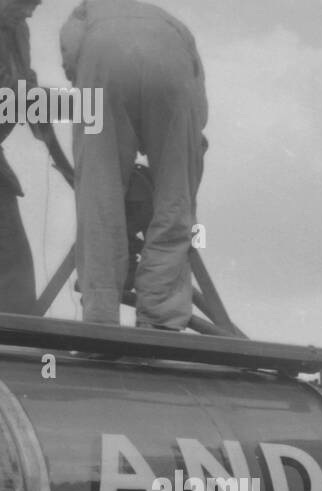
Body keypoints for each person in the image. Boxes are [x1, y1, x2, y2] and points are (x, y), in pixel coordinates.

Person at [60, 0, 206, 328]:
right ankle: (161, 316)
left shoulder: (85, 11)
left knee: (98, 194)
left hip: (100, 58)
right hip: (172, 63)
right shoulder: (171, 22)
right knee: (175, 198)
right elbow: (198, 115)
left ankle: (99, 316)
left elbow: (71, 57)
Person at [0, 0, 74, 314]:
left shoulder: (17, 30)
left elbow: (29, 99)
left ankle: (17, 350)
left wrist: (69, 171)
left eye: (36, 4)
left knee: (12, 265)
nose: (31, 11)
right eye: (26, 2)